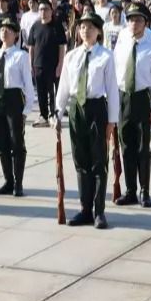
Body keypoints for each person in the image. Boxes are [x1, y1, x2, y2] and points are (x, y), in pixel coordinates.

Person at [56, 12, 120, 229]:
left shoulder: (106, 56)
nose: (86, 30)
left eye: (90, 27)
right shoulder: (72, 56)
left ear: (98, 31)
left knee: (98, 162)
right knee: (80, 161)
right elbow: (64, 87)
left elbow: (112, 90)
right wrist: (58, 113)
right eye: (82, 27)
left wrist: (112, 121)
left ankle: (99, 210)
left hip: (96, 108)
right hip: (76, 109)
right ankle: (85, 208)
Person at [114, 4, 151, 208]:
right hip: (123, 97)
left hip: (142, 98)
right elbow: (114, 73)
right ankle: (130, 190)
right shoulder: (121, 45)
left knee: (143, 147)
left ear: (146, 23)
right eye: (131, 19)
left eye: (139, 20)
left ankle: (145, 191)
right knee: (126, 147)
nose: (134, 23)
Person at [0, 18, 36, 196]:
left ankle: (18, 182)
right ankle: (8, 181)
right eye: (2, 29)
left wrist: (27, 109)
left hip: (14, 99)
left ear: (15, 35)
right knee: (1, 143)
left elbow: (28, 85)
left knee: (17, 142)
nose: (4, 32)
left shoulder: (21, 56)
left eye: (8, 30)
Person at [27, 1, 67, 128]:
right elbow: (31, 47)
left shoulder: (57, 26)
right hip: (38, 64)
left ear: (51, 11)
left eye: (45, 9)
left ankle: (52, 115)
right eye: (41, 9)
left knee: (52, 91)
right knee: (40, 92)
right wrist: (31, 64)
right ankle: (43, 115)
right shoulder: (35, 26)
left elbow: (62, 47)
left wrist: (60, 64)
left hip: (53, 65)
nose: (43, 12)